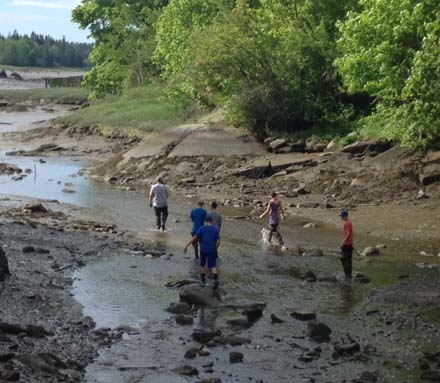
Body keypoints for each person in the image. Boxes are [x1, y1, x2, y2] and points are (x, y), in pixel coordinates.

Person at [184, 216, 220, 288]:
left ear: (205, 221)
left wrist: (186, 245)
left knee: (202, 265)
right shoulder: (215, 230)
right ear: (211, 221)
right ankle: (215, 281)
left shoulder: (202, 228)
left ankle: (203, 282)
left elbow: (194, 238)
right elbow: (218, 241)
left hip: (203, 249)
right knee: (213, 266)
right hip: (212, 250)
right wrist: (215, 248)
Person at [340, 210, 354, 279]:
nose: (341, 218)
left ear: (345, 216)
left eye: (342, 216)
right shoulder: (350, 223)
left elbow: (348, 234)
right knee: (348, 260)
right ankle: (349, 275)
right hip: (350, 244)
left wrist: (343, 242)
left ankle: (347, 275)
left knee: (345, 260)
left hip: (346, 245)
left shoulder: (347, 223)